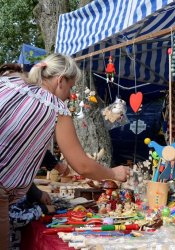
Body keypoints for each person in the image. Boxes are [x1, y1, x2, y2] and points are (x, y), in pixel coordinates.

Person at [0, 54, 130, 248]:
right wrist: (113, 173)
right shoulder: (55, 107)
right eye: (69, 88)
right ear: (60, 80)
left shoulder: (8, 81)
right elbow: (83, 165)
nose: (69, 95)